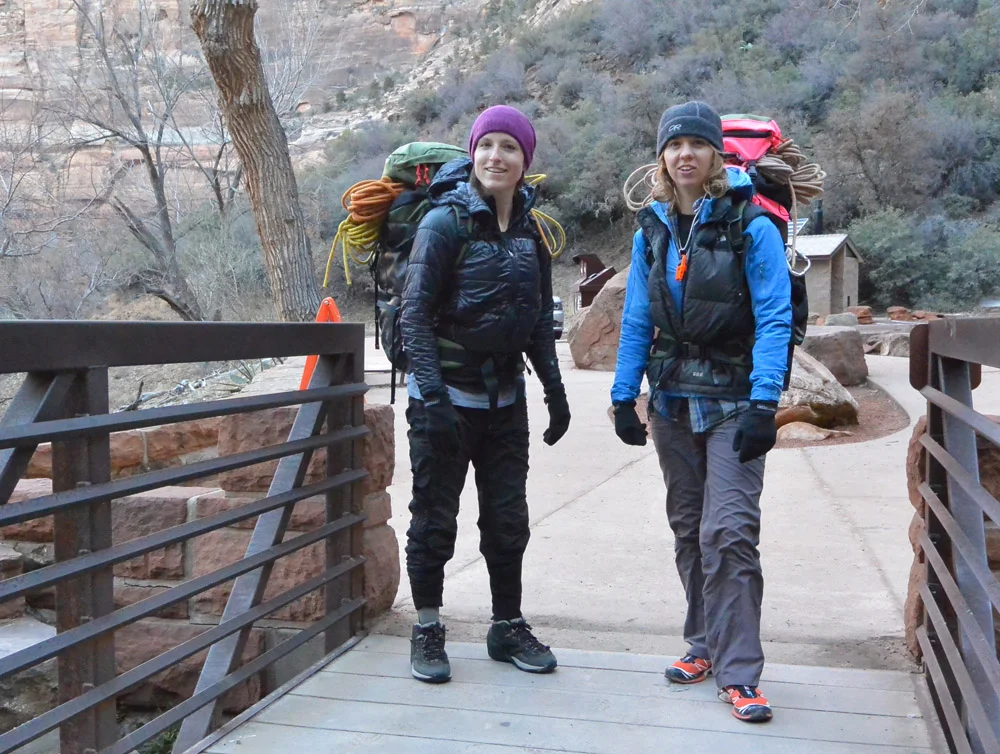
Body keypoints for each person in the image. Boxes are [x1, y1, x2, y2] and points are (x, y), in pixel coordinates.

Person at [610, 101, 792, 723]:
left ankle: (740, 673)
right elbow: (637, 318)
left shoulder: (751, 225)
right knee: (689, 528)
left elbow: (774, 316)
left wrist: (765, 402)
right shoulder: (652, 230)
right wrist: (622, 396)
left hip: (735, 403)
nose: (684, 153)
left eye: (696, 143)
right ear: (661, 157)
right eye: (674, 144)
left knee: (729, 533)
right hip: (671, 402)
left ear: (716, 153)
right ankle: (703, 644)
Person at [399, 105, 571, 684]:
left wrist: (554, 391)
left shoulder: (530, 232)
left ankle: (507, 625)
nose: (496, 156)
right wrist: (433, 399)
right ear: (473, 152)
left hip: (505, 405)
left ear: (525, 160)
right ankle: (428, 627)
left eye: (510, 147)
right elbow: (414, 316)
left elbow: (537, 320)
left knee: (507, 519)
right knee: (434, 518)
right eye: (487, 145)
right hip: (445, 399)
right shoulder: (442, 224)